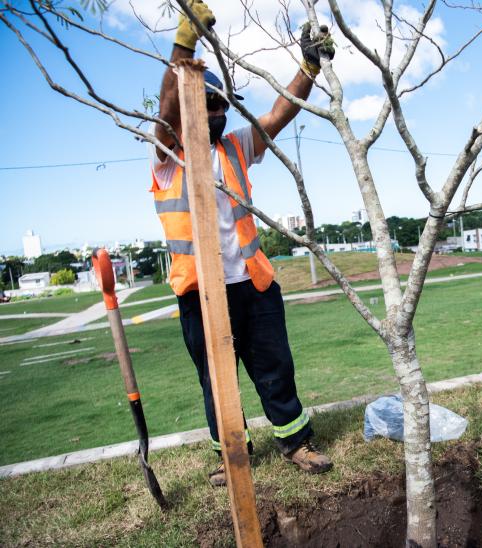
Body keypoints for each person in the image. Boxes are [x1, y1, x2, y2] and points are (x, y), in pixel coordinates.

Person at [151, 0, 335, 484]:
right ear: (193, 103)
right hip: (198, 292)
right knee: (216, 381)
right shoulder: (168, 155)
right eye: (208, 103)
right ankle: (231, 456)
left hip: (251, 285)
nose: (217, 112)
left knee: (275, 366)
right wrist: (184, 42)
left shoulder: (234, 146)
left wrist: (308, 67)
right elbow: (168, 110)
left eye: (221, 106)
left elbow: (278, 115)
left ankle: (296, 442)